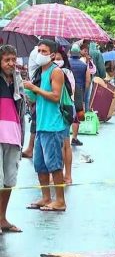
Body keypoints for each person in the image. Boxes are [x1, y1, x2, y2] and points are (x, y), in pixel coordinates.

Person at [23, 39, 67, 212]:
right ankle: (46, 197)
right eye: (39, 50)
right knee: (40, 164)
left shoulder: (56, 72)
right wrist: (29, 92)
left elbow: (56, 96)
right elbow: (36, 98)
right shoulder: (40, 73)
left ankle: (60, 200)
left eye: (44, 51)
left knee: (54, 164)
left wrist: (35, 88)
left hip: (53, 125)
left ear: (53, 54)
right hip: (41, 124)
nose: (40, 54)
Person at [0, 45, 24, 233]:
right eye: (7, 60)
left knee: (9, 179)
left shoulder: (17, 79)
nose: (11, 63)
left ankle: (2, 218)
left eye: (13, 59)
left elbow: (22, 107)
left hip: (13, 134)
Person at [55, 46, 75, 184]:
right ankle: (59, 175)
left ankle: (67, 175)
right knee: (58, 145)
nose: (56, 61)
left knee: (65, 143)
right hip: (58, 110)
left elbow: (71, 91)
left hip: (64, 110)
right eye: (54, 58)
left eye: (59, 59)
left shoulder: (66, 72)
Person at [69, 44, 91, 146]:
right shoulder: (83, 65)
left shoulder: (66, 63)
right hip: (79, 91)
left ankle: (63, 137)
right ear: (79, 53)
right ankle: (74, 138)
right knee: (77, 115)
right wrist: (84, 92)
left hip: (67, 90)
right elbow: (88, 81)